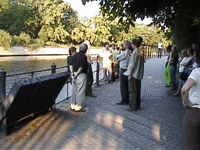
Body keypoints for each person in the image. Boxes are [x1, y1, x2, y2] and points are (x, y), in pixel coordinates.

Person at [181, 43, 200, 150]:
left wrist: (186, 102)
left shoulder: (197, 72)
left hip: (195, 111)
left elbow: (184, 89)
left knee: (190, 143)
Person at [124, 38, 145, 111]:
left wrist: (130, 75)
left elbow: (132, 65)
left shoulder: (135, 52)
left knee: (133, 91)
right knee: (138, 90)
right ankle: (137, 105)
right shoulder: (141, 52)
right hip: (139, 74)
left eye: (132, 44)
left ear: (134, 45)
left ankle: (133, 106)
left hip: (134, 74)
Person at [70, 43, 88, 112]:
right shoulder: (84, 57)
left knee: (74, 90)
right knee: (80, 90)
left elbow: (71, 65)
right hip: (80, 75)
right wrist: (77, 74)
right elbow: (81, 67)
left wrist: (72, 73)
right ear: (85, 50)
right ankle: (78, 106)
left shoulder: (74, 56)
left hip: (73, 74)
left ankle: (72, 105)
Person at [115, 41, 131, 105]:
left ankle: (124, 99)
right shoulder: (130, 52)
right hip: (127, 69)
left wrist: (119, 50)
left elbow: (117, 57)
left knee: (123, 85)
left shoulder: (125, 52)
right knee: (127, 85)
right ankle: (127, 98)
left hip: (124, 69)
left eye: (123, 45)